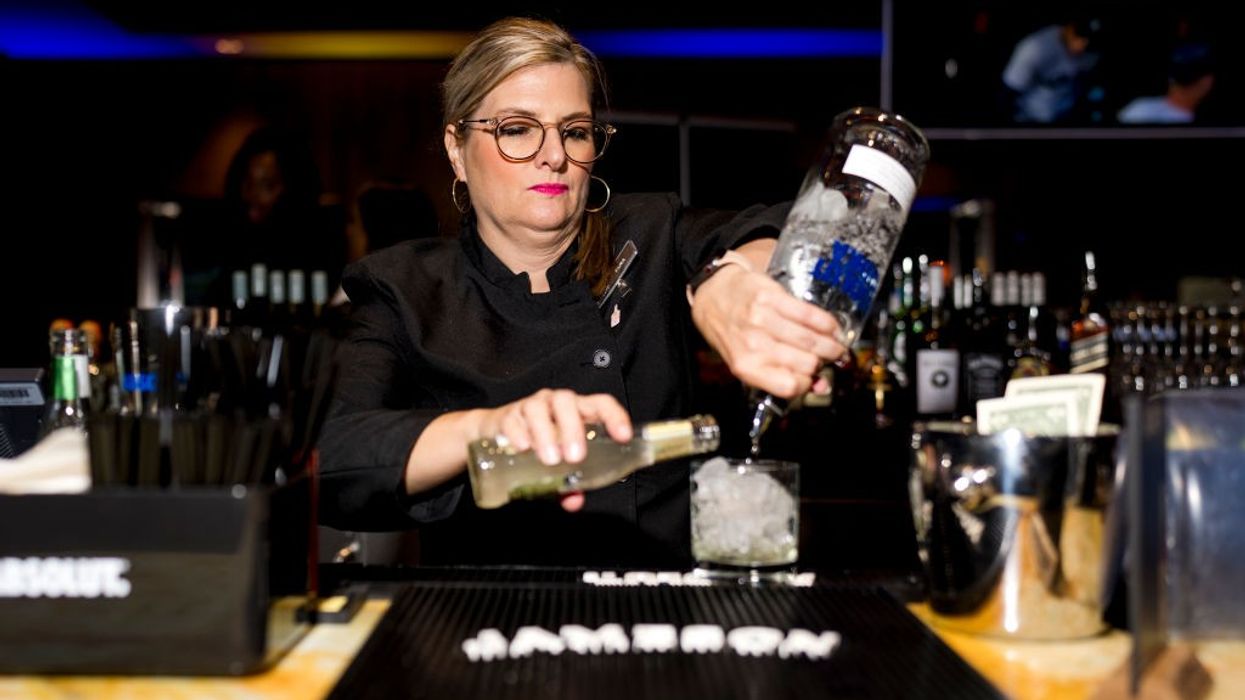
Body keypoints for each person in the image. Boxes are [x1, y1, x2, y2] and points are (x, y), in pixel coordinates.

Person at [316, 17, 847, 568]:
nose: (554, 156)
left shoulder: (650, 235)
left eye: (574, 131)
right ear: (457, 148)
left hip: (664, 605)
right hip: (487, 610)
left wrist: (733, 274)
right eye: (517, 129)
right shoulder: (405, 287)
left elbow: (783, 228)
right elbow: (330, 455)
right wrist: (488, 429)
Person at [1001, 15, 1101, 123]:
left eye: (1089, 38)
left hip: (1066, 114)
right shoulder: (1035, 48)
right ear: (1069, 28)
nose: (1084, 43)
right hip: (1031, 118)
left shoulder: (1093, 51)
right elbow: (1010, 90)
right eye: (1080, 35)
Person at [1117, 43, 1214, 125]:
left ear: (1207, 81)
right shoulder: (1142, 111)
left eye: (1192, 76)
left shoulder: (1211, 124)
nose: (1183, 86)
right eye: (1181, 75)